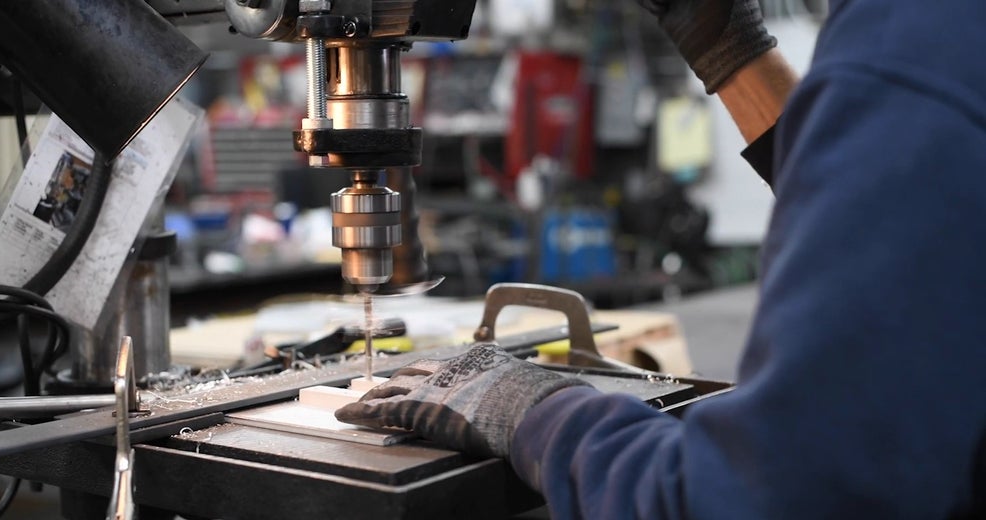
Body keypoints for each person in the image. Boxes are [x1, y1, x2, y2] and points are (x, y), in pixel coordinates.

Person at [337, 0, 986, 517]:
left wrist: (533, 412)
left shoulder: (917, 41)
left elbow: (761, 501)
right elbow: (907, 216)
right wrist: (729, 50)